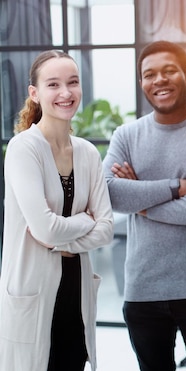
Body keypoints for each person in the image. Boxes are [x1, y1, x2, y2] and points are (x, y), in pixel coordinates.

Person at [0, 50, 114, 371]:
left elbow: (105, 228)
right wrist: (83, 222)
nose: (65, 93)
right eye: (53, 84)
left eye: (73, 83)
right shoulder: (24, 149)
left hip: (75, 296)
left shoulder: (88, 153)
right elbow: (45, 229)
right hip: (32, 295)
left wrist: (60, 241)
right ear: (34, 93)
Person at [102, 40, 186, 371]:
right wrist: (177, 186)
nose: (159, 80)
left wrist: (143, 200)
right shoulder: (126, 135)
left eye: (168, 71)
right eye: (150, 74)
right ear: (142, 83)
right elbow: (111, 195)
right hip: (143, 288)